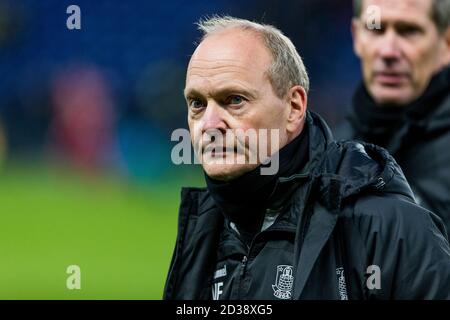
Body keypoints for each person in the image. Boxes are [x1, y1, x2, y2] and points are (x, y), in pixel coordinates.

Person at [164, 16, 450, 300]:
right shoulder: (203, 230)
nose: (210, 124)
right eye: (197, 104)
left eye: (235, 100)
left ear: (294, 106)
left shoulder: (390, 229)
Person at [336, 0, 450, 233]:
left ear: (446, 43)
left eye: (409, 31)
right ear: (357, 36)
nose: (388, 51)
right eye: (375, 29)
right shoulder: (332, 149)